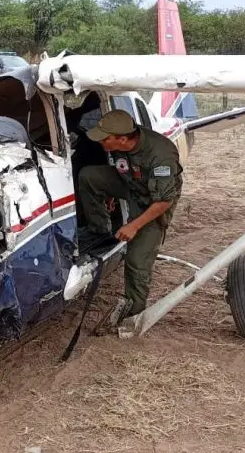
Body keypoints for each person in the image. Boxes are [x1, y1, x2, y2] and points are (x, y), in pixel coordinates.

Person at [77, 109, 183, 322]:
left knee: (136, 261)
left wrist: (134, 225)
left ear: (122, 139)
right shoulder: (119, 144)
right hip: (131, 184)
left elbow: (164, 201)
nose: (100, 143)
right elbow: (122, 169)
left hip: (153, 201)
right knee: (88, 176)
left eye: (104, 139)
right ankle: (99, 230)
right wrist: (109, 194)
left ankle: (134, 313)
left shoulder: (161, 155)